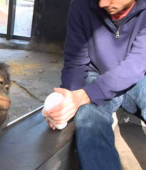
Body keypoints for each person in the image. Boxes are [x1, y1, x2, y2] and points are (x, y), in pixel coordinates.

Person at [42, 0, 146, 169]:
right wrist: (67, 102)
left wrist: (86, 95)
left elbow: (136, 64)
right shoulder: (81, 4)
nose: (102, 3)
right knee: (89, 118)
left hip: (140, 76)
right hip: (96, 74)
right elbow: (76, 62)